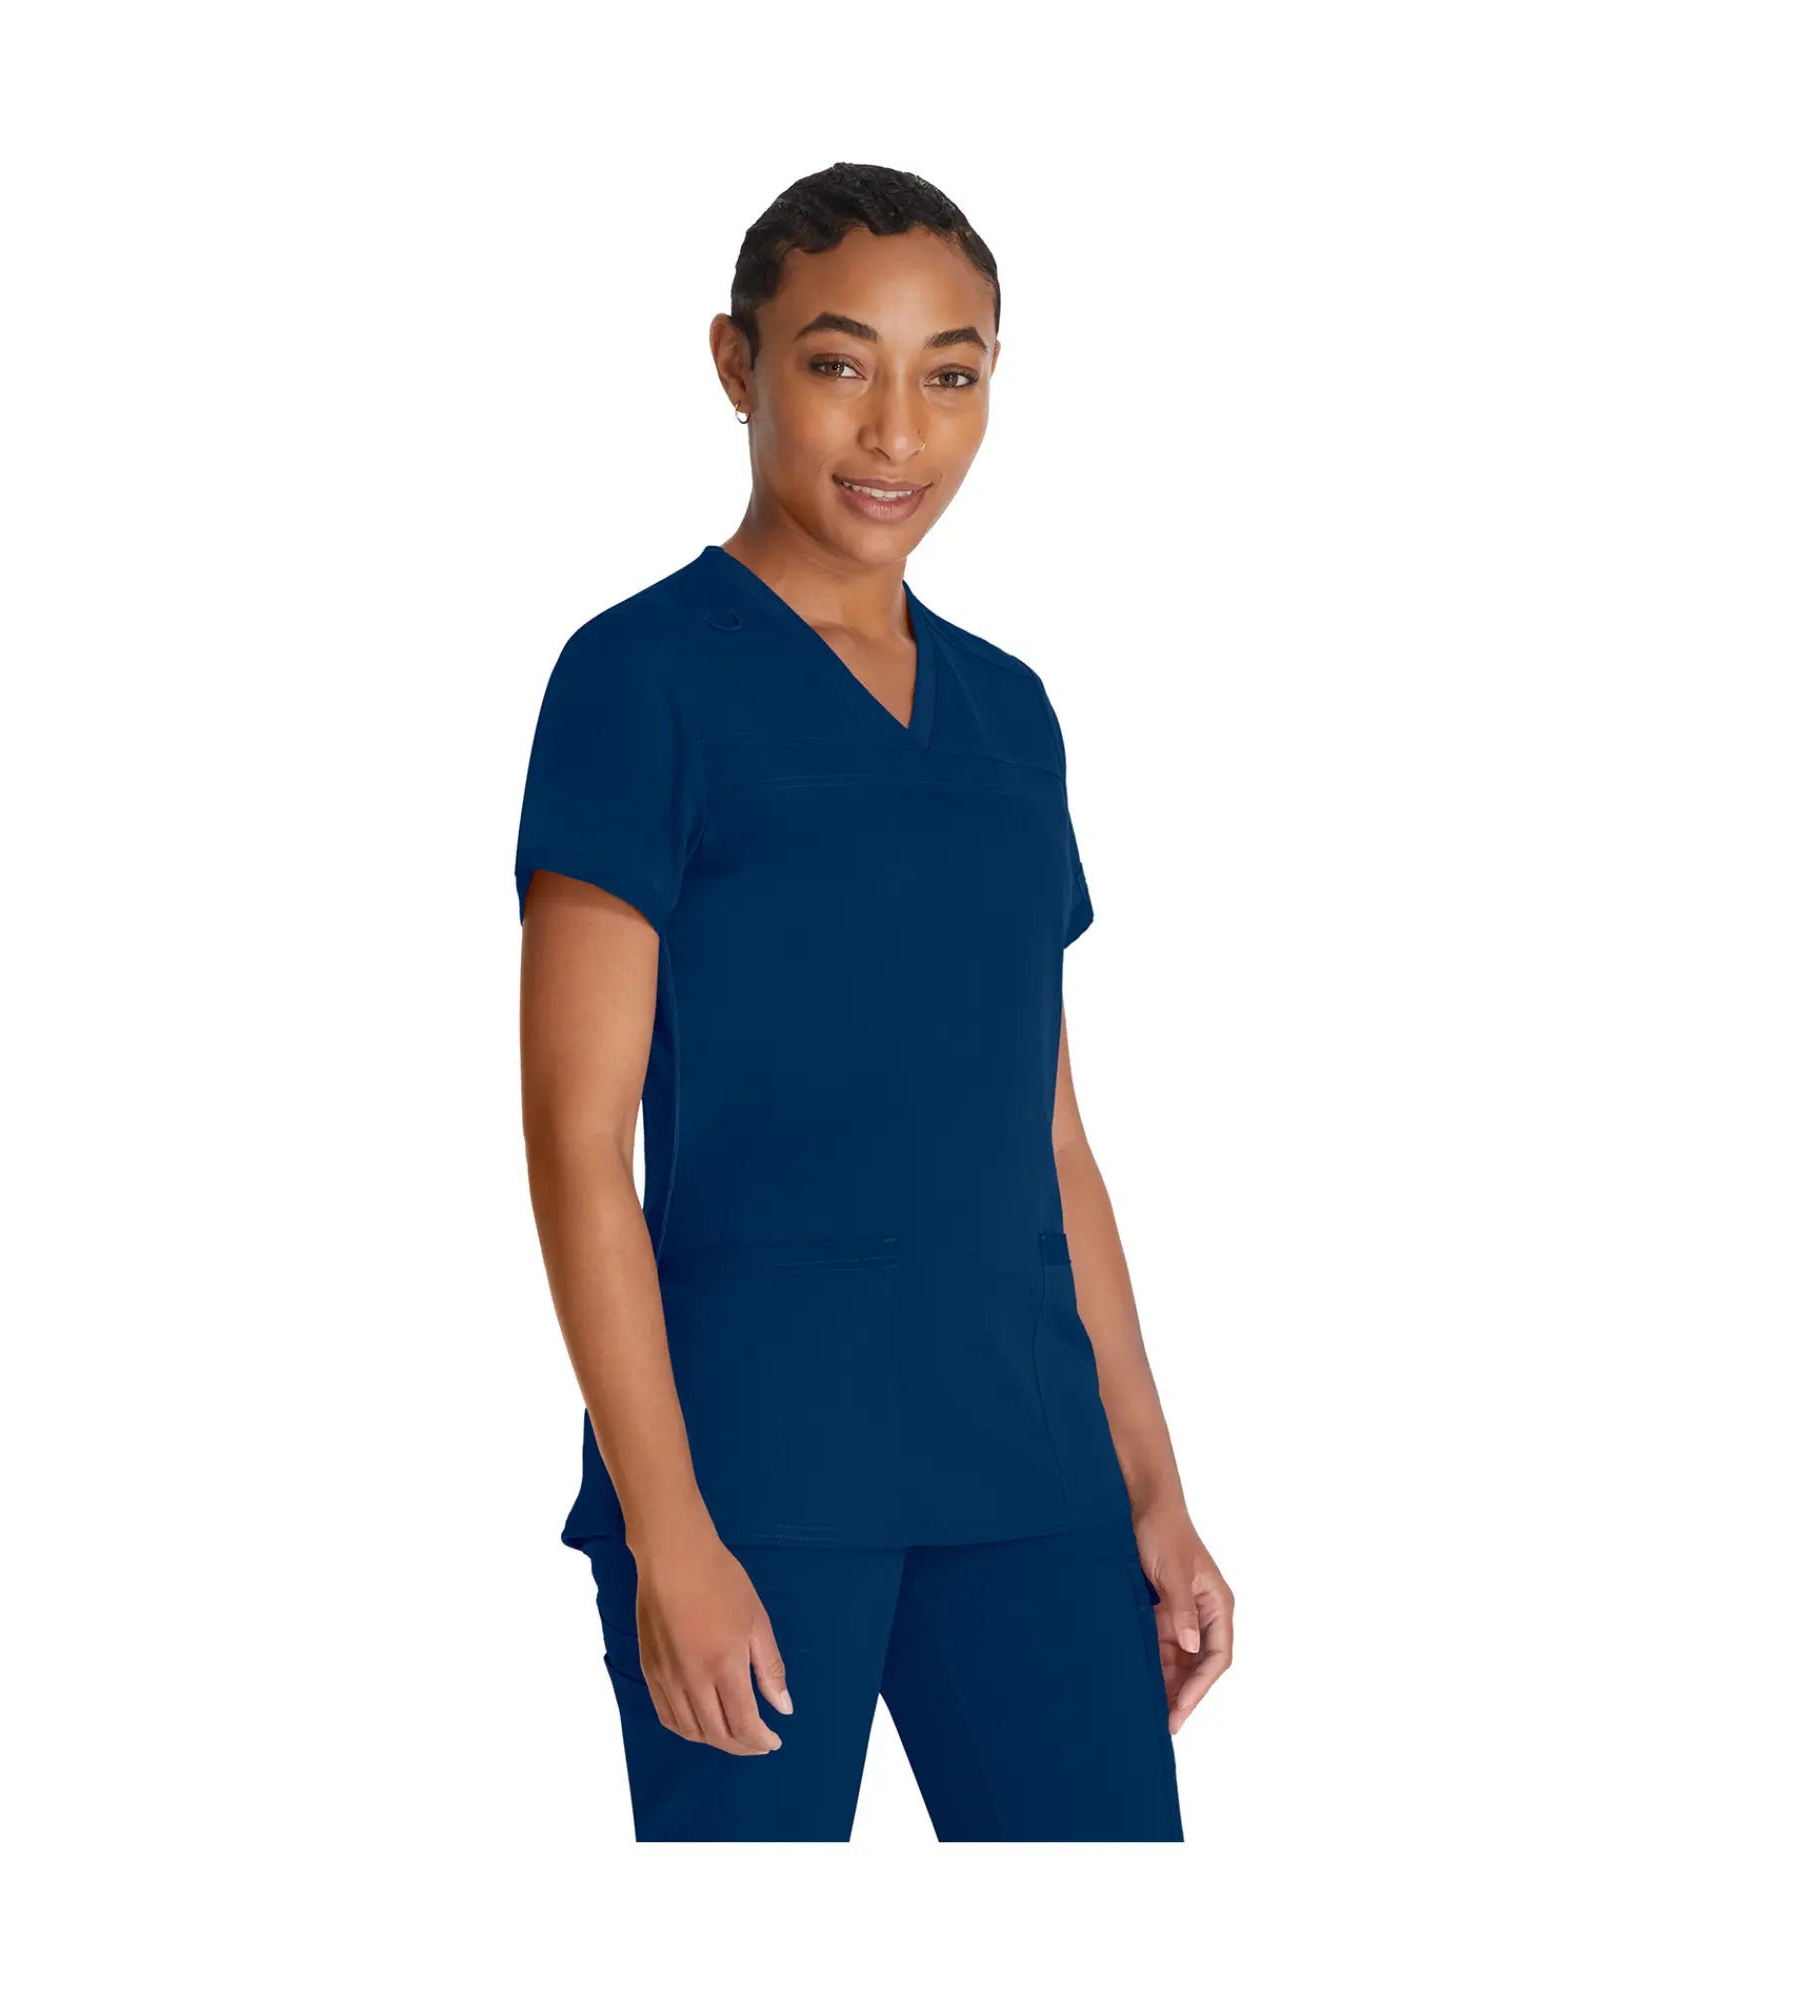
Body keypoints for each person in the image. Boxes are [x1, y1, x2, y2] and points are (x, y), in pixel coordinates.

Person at [514, 162, 1233, 1842]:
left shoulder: (1010, 714)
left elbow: (1049, 1144)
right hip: (755, 1477)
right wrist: (669, 1532)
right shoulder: (640, 682)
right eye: (840, 363)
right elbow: (575, 1145)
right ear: (736, 361)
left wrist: (1152, 1487)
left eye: (950, 374)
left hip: (1031, 1471)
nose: (897, 431)